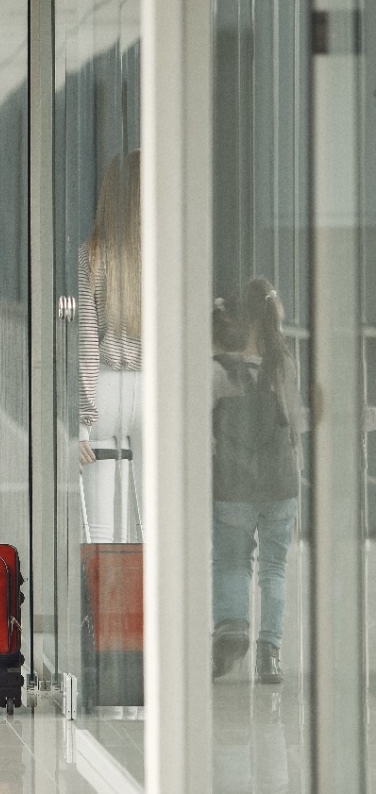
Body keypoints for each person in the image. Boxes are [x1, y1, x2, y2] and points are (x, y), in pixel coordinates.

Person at [210, 278, 304, 684]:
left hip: (233, 484)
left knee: (232, 561)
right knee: (274, 569)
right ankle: (270, 652)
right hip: (279, 482)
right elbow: (295, 423)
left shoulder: (218, 369)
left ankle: (233, 626)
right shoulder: (283, 362)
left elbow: (205, 432)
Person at [77, 150, 143, 543]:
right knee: (154, 521)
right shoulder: (167, 253)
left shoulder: (92, 254)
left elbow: (86, 339)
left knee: (99, 526)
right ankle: (152, 604)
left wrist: (82, 421)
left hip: (104, 390)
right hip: (153, 390)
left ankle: (102, 604)